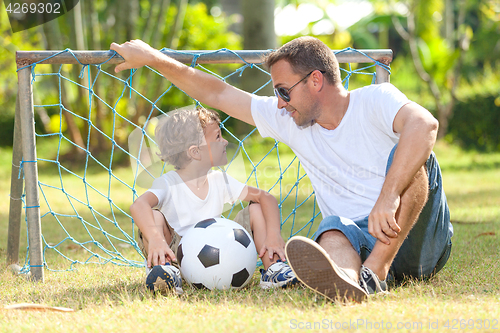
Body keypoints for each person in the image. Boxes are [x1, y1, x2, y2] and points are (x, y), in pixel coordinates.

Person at [114, 36, 452, 302]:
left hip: (415, 237)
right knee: (332, 228)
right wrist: (152, 58)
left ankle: (374, 273)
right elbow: (217, 92)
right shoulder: (290, 120)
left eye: (283, 91)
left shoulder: (376, 99)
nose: (278, 102)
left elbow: (425, 125)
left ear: (315, 81)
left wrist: (389, 196)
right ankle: (349, 284)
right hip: (358, 240)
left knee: (416, 160)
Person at [129, 107, 297, 294]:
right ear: (195, 152)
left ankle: (274, 269)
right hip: (177, 255)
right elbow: (139, 205)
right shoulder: (168, 183)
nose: (224, 141)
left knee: (257, 208)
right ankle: (165, 271)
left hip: (222, 250)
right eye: (217, 137)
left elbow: (266, 198)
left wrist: (273, 234)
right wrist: (155, 239)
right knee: (154, 215)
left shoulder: (219, 180)